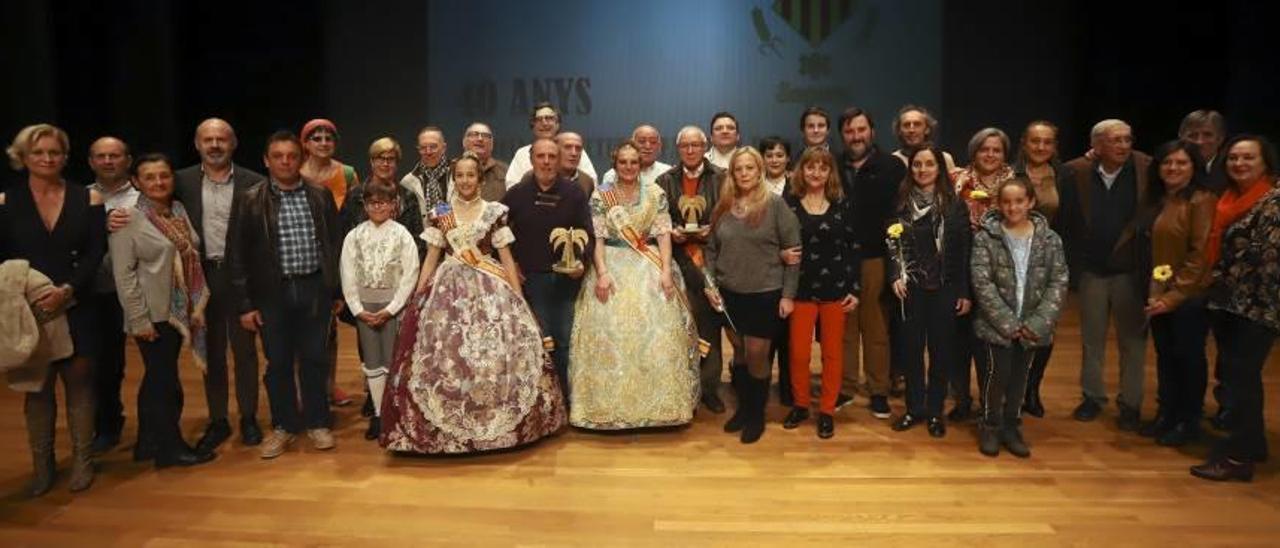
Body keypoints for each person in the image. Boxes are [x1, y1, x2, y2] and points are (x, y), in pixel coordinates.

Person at [381, 152, 566, 453]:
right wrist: (417, 295)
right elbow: (431, 257)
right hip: (447, 290)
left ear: (480, 179)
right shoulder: (441, 212)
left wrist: (518, 298)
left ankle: (497, 426)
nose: (465, 180)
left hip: (491, 291)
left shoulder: (495, 211)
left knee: (494, 357)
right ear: (454, 180)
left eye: (471, 175)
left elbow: (505, 258)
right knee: (449, 356)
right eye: (460, 176)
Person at [0, 124, 107, 495]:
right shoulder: (5, 202)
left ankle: (82, 461)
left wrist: (68, 290)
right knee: (37, 387)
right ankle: (42, 468)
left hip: (76, 302)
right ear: (23, 157)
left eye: (54, 152)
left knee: (79, 382)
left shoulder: (88, 198)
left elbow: (96, 252)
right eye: (39, 153)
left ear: (65, 156)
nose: (47, 159)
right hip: (28, 309)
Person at [227, 131, 343, 459]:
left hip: (313, 289)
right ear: (266, 160)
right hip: (271, 294)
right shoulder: (250, 200)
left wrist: (334, 290)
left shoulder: (319, 196)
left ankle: (318, 422)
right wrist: (245, 304)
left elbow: (332, 245)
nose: (285, 161)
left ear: (300, 158)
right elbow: (236, 255)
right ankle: (284, 425)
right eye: (278, 156)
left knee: (315, 359)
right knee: (277, 362)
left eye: (292, 155)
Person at [567, 141, 699, 429]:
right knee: (607, 334)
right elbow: (597, 238)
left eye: (634, 162)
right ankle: (605, 409)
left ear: (641, 165)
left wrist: (665, 271)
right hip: (611, 265)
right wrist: (601, 272)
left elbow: (663, 235)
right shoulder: (602, 195)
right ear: (615, 165)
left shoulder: (655, 193)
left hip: (647, 265)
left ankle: (661, 407)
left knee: (658, 336)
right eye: (623, 162)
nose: (628, 167)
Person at [109, 153, 217, 468]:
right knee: (165, 382)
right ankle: (170, 448)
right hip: (153, 314)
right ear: (136, 182)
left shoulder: (178, 210)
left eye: (164, 176)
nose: (158, 182)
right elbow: (123, 275)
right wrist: (140, 320)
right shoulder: (127, 219)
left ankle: (147, 443)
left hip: (177, 308)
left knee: (156, 379)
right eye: (150, 177)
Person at [1190, 135, 1280, 482]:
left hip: (1256, 307)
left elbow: (1264, 259)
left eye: (1248, 158)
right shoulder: (1230, 199)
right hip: (1229, 304)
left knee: (1241, 380)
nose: (1239, 164)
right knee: (1238, 377)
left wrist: (1213, 277)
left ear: (1265, 164)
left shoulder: (1272, 202)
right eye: (1234, 159)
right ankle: (1253, 443)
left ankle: (1240, 458)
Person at [173, 118, 266, 453]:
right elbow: (151, 209)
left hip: (240, 278)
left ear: (233, 143)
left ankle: (249, 417)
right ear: (197, 144)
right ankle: (217, 420)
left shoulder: (254, 182)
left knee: (245, 353)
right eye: (208, 139)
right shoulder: (179, 181)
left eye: (221, 139)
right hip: (201, 277)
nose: (214, 145)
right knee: (210, 353)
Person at [704, 146, 801, 444]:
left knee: (758, 356)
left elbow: (794, 252)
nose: (744, 174)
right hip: (730, 295)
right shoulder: (722, 206)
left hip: (764, 294)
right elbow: (710, 250)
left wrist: (788, 295)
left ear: (759, 171)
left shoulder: (774, 205)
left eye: (750, 168)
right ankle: (744, 410)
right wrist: (710, 285)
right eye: (738, 169)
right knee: (742, 356)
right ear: (731, 174)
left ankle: (756, 415)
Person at [1058, 119, 1151, 429]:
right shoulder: (1076, 171)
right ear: (1097, 145)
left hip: (1131, 272)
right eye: (1115, 140)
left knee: (1133, 341)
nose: (1124, 146)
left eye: (1127, 139)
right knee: (1091, 340)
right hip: (1092, 271)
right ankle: (1092, 397)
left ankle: (1131, 404)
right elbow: (1067, 221)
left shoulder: (1146, 168)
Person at [969, 177, 1068, 457]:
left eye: (1019, 201)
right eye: (1007, 202)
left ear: (1031, 202)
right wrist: (1008, 323)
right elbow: (982, 282)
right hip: (998, 325)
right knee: (995, 377)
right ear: (999, 204)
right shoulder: (986, 238)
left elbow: (1058, 281)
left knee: (1019, 378)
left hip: (1033, 324)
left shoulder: (1050, 240)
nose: (1013, 207)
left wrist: (1037, 322)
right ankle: (990, 424)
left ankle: (1012, 425)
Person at [887, 146, 971, 439]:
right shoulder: (900, 202)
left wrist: (963, 290)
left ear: (940, 169)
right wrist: (895, 274)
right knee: (910, 352)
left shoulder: (954, 204)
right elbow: (892, 242)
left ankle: (935, 411)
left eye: (929, 164)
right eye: (917, 165)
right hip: (912, 289)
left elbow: (962, 249)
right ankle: (915, 409)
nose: (922, 170)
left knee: (940, 352)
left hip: (944, 288)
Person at [501, 139, 594, 401]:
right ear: (531, 159)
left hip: (566, 281)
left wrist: (582, 264)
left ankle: (563, 399)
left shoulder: (574, 193)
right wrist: (512, 265)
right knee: (537, 342)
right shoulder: (516, 195)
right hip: (529, 282)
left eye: (552, 156)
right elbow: (499, 233)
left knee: (564, 343)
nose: (547, 161)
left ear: (559, 158)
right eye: (541, 156)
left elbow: (588, 233)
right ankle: (538, 400)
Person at [1137, 141, 1214, 447]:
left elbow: (1201, 255)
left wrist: (1173, 297)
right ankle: (1167, 413)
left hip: (1188, 298)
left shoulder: (1201, 200)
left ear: (1194, 167)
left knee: (1188, 358)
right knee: (1166, 357)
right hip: (1160, 295)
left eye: (1181, 163)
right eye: (1167, 162)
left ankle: (1188, 420)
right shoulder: (1157, 199)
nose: (1173, 168)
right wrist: (1158, 296)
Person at [781, 147, 858, 439]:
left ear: (830, 173)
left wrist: (855, 288)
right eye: (810, 167)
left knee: (832, 355)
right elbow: (775, 241)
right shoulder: (788, 204)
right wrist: (781, 253)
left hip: (835, 291)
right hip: (799, 290)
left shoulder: (841, 204)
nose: (816, 173)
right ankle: (801, 404)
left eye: (822, 168)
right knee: (799, 355)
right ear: (801, 170)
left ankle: (826, 410)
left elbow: (853, 248)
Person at [837, 107, 906, 419]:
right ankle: (846, 386)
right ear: (842, 135)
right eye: (850, 131)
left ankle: (878, 390)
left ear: (872, 132)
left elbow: (900, 212)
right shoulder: (833, 165)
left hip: (876, 256)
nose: (856, 136)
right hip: (839, 258)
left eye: (861, 130)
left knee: (876, 326)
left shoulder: (891, 166)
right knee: (844, 329)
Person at [340, 179, 419, 441]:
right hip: (365, 307)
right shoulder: (355, 236)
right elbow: (347, 272)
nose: (378, 207)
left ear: (393, 205)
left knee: (392, 361)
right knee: (372, 363)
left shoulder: (402, 235)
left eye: (383, 202)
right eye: (372, 202)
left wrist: (394, 307)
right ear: (364, 205)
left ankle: (393, 412)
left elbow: (411, 273)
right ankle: (376, 412)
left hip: (392, 307)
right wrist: (357, 308)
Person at [656, 126, 727, 413]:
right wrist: (671, 231)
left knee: (709, 323)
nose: (690, 150)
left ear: (705, 146)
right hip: (677, 259)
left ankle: (709, 388)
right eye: (684, 146)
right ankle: (683, 386)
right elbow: (658, 218)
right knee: (680, 326)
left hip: (710, 258)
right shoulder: (665, 180)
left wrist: (716, 229)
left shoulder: (722, 178)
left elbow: (732, 213)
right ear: (678, 149)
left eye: (695, 145)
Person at [948, 127, 1015, 422]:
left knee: (989, 343)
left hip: (999, 271)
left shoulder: (1015, 184)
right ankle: (962, 400)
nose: (990, 155)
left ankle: (993, 405)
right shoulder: (955, 179)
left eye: (996, 150)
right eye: (984, 149)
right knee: (957, 341)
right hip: (959, 267)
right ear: (974, 152)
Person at [299, 118, 359, 408]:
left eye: (328, 138)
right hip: (303, 254)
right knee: (303, 325)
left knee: (330, 326)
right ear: (306, 143)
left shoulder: (347, 173)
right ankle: (305, 386)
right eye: (317, 138)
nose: (323, 143)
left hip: (337, 253)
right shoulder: (293, 172)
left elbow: (359, 209)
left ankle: (329, 383)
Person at [1011, 120, 1068, 418]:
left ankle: (1032, 389)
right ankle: (1011, 390)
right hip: (1011, 258)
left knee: (1044, 327)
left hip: (1047, 261)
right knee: (1011, 326)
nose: (1041, 147)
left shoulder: (1064, 175)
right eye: (1035, 141)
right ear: (1024, 143)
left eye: (1047, 142)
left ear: (1054, 146)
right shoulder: (1011, 174)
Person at [85, 136, 137, 455]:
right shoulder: (80, 198)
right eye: (101, 156)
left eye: (114, 156)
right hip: (98, 290)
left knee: (134, 362)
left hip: (137, 290)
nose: (108, 161)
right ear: (91, 161)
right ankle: (106, 423)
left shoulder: (142, 195)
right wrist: (98, 225)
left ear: (127, 160)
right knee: (102, 362)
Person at [760, 136, 796, 406]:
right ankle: (759, 389)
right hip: (762, 271)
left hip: (794, 269)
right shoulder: (753, 188)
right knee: (763, 335)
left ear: (788, 159)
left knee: (789, 336)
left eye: (780, 154)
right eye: (769, 154)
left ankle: (788, 388)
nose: (774, 159)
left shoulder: (799, 186)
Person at [505, 102, 597, 186]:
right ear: (533, 126)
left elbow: (592, 183)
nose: (544, 123)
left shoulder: (574, 150)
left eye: (549, 118)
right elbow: (511, 186)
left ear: (558, 124)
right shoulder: (522, 153)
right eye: (538, 120)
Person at [399, 126, 449, 223]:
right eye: (423, 148)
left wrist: (440, 212)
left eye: (433, 147)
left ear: (444, 148)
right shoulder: (408, 181)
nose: (428, 152)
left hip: (456, 235)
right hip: (421, 236)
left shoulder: (457, 174)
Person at [890, 105, 956, 171]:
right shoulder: (892, 161)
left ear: (927, 129)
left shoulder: (944, 159)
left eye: (917, 124)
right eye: (906, 125)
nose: (911, 130)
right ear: (899, 131)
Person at [601, 125, 671, 186]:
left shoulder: (668, 173)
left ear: (659, 146)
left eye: (653, 142)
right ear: (632, 144)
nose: (647, 146)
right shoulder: (611, 175)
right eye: (642, 141)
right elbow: (603, 199)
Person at [1178, 110, 1227, 192]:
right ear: (1181, 138)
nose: (1199, 142)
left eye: (1207, 135)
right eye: (1192, 135)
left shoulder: (1231, 171)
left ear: (1220, 139)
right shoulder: (1170, 169)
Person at [461, 122, 509, 201]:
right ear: (464, 142)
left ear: (492, 144)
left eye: (485, 136)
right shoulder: (452, 169)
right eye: (474, 134)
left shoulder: (505, 171)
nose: (480, 139)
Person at [556, 131, 595, 196]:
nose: (574, 153)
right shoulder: (537, 177)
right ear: (554, 150)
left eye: (578, 148)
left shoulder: (587, 181)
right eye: (567, 147)